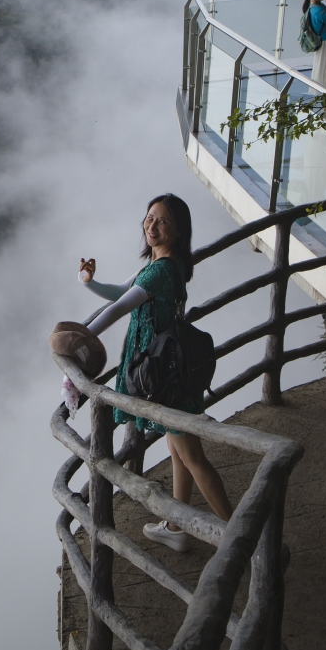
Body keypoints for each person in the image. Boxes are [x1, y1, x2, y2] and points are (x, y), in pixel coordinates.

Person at [76, 194, 233, 551]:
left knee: (192, 456)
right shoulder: (161, 263)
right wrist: (88, 282)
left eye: (162, 221)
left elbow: (119, 308)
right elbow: (119, 292)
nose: (152, 225)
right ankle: (177, 527)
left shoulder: (162, 270)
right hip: (167, 367)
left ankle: (236, 536)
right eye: (149, 218)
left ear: (179, 231)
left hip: (164, 373)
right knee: (179, 452)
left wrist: (81, 340)